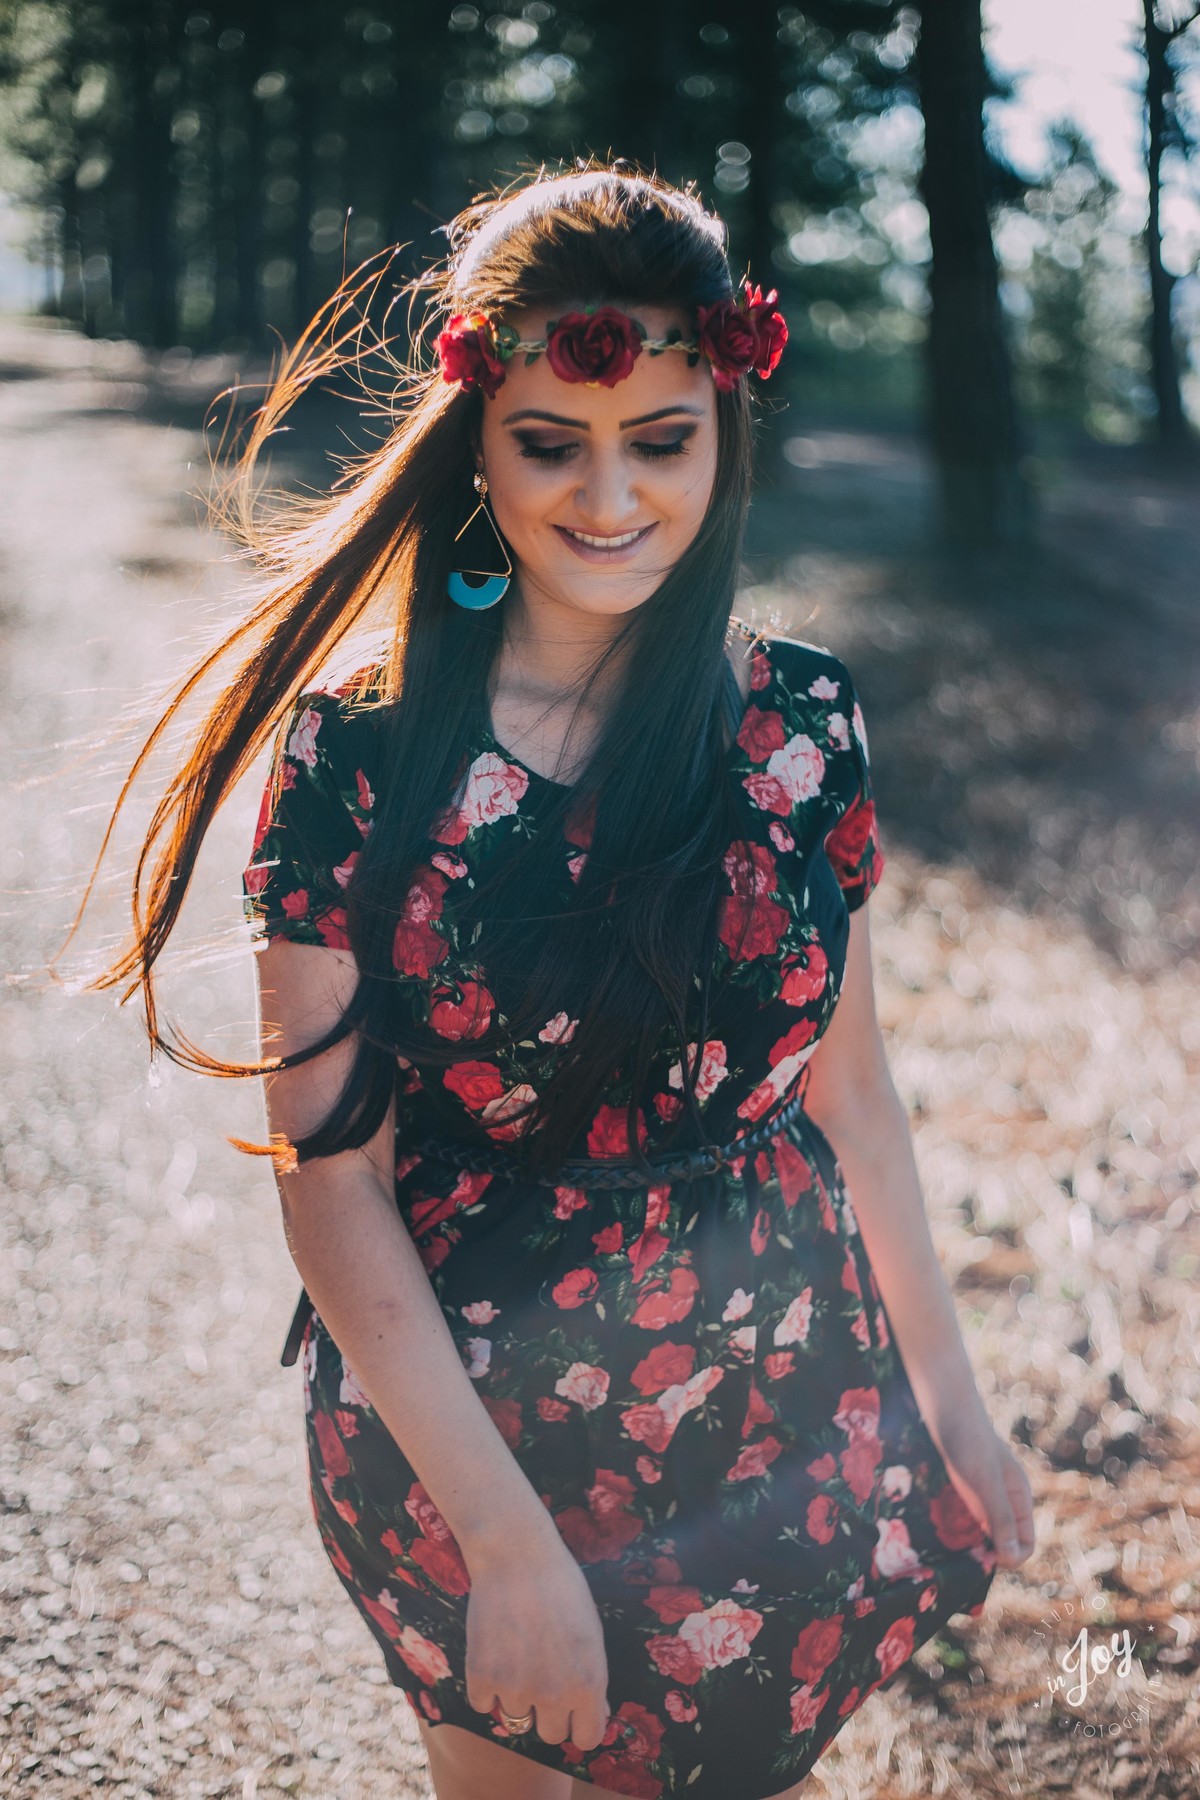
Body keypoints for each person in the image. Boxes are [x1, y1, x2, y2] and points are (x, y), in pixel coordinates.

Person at [90, 164, 1035, 1800]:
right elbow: (333, 1186)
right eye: (553, 442)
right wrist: (508, 1547)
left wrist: (956, 1405)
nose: (610, 498)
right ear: (479, 433)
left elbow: (854, 1095)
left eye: (660, 439)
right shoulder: (359, 759)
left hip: (778, 1414)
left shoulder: (805, 725)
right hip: (469, 1429)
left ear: (726, 429)